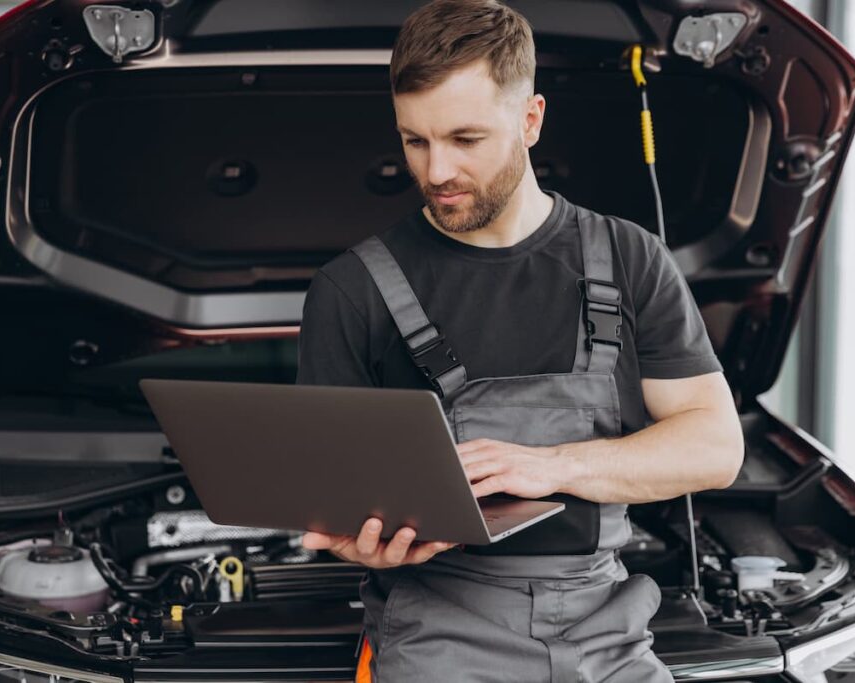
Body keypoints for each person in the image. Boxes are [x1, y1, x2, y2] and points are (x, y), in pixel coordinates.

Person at [295, 1, 744, 680]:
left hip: (608, 628)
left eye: (465, 139)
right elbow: (329, 500)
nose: (436, 170)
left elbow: (715, 446)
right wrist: (359, 545)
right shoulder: (352, 290)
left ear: (530, 120)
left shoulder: (629, 258)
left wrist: (554, 465)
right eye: (415, 140)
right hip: (436, 633)